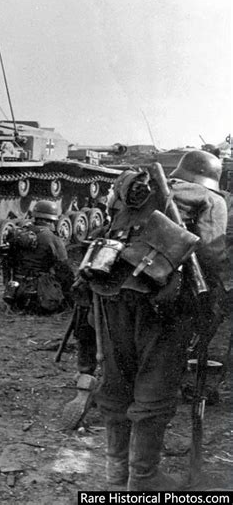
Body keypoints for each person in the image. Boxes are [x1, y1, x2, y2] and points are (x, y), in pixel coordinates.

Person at [85, 151, 228, 491]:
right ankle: (144, 479)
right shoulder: (210, 199)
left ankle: (116, 475)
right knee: (155, 385)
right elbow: (211, 253)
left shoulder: (139, 186)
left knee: (118, 381)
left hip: (110, 289)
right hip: (164, 301)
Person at [2, 200, 74, 313]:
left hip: (17, 296)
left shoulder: (19, 235)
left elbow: (8, 263)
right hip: (40, 298)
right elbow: (64, 271)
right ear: (52, 220)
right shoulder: (52, 239)